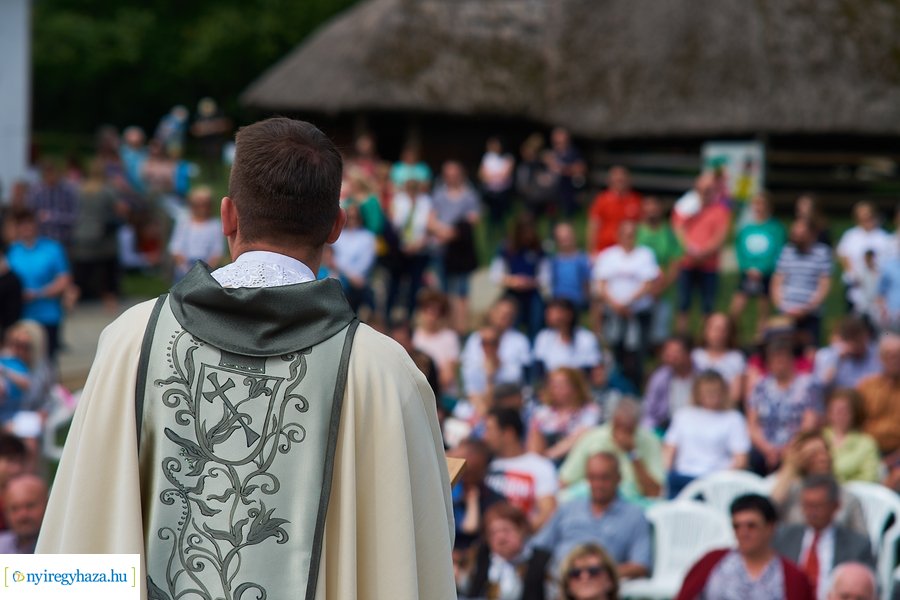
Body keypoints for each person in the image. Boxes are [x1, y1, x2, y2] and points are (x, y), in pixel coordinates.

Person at [36, 118, 456, 600]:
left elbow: (79, 528)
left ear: (227, 216)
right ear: (337, 225)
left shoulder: (131, 339)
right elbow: (423, 542)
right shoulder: (384, 372)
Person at [531, 452, 652, 579]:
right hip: (558, 583)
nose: (598, 484)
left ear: (618, 478)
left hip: (601, 587)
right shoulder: (568, 508)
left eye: (605, 478)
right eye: (592, 478)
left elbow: (640, 566)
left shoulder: (634, 515)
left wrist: (593, 574)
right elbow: (540, 547)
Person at [676, 494, 814, 600]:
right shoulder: (711, 562)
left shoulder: (792, 577)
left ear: (770, 527)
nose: (743, 533)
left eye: (751, 526)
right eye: (737, 526)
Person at [773, 475, 874, 598]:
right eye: (807, 505)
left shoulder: (857, 546)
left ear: (836, 506)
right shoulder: (784, 537)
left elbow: (867, 588)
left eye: (817, 506)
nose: (811, 513)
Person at [663, 370, 751, 498]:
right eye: (707, 391)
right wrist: (665, 477)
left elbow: (741, 459)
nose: (711, 395)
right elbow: (669, 450)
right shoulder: (683, 415)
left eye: (715, 391)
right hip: (682, 479)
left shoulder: (734, 418)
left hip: (716, 482)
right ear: (698, 393)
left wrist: (720, 481)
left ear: (723, 392)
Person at [592, 220, 660, 386]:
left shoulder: (645, 254)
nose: (628, 237)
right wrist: (616, 304)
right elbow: (601, 284)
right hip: (613, 312)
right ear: (618, 235)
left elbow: (648, 284)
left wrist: (627, 303)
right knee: (614, 350)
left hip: (637, 312)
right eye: (625, 234)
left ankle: (635, 386)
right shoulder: (608, 255)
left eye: (631, 234)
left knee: (637, 352)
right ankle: (616, 385)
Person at [559, 399, 664, 504]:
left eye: (628, 429)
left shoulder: (650, 441)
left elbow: (654, 492)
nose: (622, 435)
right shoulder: (593, 438)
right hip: (593, 504)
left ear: (637, 425)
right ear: (612, 421)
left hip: (633, 504)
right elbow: (565, 480)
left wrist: (633, 453)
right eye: (619, 426)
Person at [769, 430, 867, 536]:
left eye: (825, 452)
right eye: (813, 454)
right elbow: (767, 514)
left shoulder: (847, 498)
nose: (822, 458)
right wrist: (791, 467)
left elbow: (863, 543)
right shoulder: (790, 493)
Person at [747, 337, 821, 474]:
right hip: (765, 449)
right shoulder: (760, 386)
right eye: (775, 359)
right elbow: (752, 425)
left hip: (796, 445)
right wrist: (768, 449)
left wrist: (787, 449)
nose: (779, 363)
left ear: (792, 360)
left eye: (783, 358)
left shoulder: (808, 384)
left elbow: (809, 423)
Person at [7, 209, 72, 360]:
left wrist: (40, 293)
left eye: (29, 224)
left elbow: (64, 278)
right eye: (22, 225)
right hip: (22, 314)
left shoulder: (52, 248)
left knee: (48, 359)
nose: (26, 228)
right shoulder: (13, 250)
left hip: (48, 313)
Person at [672, 173, 731, 334]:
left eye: (709, 189)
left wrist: (703, 253)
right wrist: (689, 249)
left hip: (709, 265)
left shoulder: (720, 210)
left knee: (708, 305)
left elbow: (720, 236)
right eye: (702, 188)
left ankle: (705, 338)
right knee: (683, 304)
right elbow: (678, 229)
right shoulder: (686, 207)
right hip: (687, 263)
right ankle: (681, 338)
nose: (705, 192)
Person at [458, 502, 553, 600]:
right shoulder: (479, 559)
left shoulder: (542, 561)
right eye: (493, 533)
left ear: (521, 529)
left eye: (506, 530)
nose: (500, 538)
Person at [483, 408, 558, 531]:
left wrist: (517, 535)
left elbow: (548, 512)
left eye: (489, 430)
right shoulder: (484, 466)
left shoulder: (540, 466)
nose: (485, 437)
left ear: (508, 433)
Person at [429, 160, 481, 333]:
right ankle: (445, 326)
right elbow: (431, 219)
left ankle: (461, 328)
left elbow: (473, 220)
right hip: (442, 249)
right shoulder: (439, 194)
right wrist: (442, 231)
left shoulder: (469, 195)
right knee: (442, 291)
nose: (451, 178)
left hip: (461, 252)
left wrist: (450, 233)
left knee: (462, 293)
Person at [730, 192, 786, 337]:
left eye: (761, 204)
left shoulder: (776, 228)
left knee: (764, 309)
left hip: (766, 274)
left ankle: (760, 337)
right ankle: (732, 335)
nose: (758, 208)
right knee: (736, 308)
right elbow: (739, 250)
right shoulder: (747, 228)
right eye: (756, 204)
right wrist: (746, 267)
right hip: (747, 273)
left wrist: (763, 269)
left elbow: (778, 250)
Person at [771, 218, 833, 348]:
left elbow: (824, 284)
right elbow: (777, 281)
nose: (797, 237)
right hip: (786, 311)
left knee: (809, 352)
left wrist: (808, 308)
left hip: (810, 314)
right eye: (795, 234)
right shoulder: (787, 251)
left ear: (811, 234)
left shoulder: (822, 252)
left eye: (801, 234)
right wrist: (782, 306)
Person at [70, 158, 121, 308]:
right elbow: (119, 209)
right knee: (108, 269)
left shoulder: (80, 188)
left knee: (81, 271)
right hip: (103, 235)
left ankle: (71, 301)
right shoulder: (108, 189)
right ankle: (110, 303)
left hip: (81, 233)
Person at [491, 213, 549, 340]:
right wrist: (513, 281)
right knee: (509, 325)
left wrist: (530, 282)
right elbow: (495, 274)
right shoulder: (506, 248)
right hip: (512, 294)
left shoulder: (539, 249)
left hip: (532, 294)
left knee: (536, 324)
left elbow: (545, 277)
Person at [526, 368, 600, 464]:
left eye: (562, 384)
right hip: (544, 461)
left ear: (575, 386)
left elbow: (582, 435)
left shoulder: (589, 410)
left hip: (578, 460)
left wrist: (550, 455)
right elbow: (533, 443)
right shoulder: (542, 412)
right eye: (553, 385)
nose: (557, 389)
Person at [636, 195, 682, 345]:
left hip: (662, 292)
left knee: (659, 335)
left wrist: (662, 287)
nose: (651, 210)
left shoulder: (669, 233)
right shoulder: (636, 232)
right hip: (638, 291)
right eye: (648, 206)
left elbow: (676, 262)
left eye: (655, 206)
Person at [837, 202, 893, 310]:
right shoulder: (851, 235)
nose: (865, 219)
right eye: (861, 216)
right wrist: (852, 273)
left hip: (877, 288)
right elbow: (844, 255)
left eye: (868, 215)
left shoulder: (884, 238)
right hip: (855, 287)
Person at [533, 298, 602, 379]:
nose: (548, 315)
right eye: (548, 312)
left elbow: (592, 369)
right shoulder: (543, 337)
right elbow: (539, 370)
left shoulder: (586, 338)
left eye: (554, 312)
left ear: (568, 314)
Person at [167, 185, 225, 282]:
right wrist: (185, 267)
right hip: (185, 266)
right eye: (198, 204)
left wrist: (205, 270)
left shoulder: (215, 225)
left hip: (206, 265)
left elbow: (217, 251)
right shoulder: (184, 222)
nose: (202, 208)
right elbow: (176, 248)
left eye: (205, 204)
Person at [857, 332, 900, 459]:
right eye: (889, 355)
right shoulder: (866, 386)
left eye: (898, 355)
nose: (894, 360)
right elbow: (856, 422)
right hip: (866, 451)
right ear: (880, 358)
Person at [822, 389, 880, 484]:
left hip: (854, 494)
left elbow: (870, 478)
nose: (839, 414)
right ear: (828, 413)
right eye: (835, 409)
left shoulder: (866, 443)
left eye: (844, 410)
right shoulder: (819, 438)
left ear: (854, 413)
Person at [642, 335, 696, 433]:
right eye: (667, 352)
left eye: (675, 352)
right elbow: (649, 411)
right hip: (665, 428)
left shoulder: (702, 377)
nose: (670, 356)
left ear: (688, 354)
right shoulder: (659, 377)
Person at [813, 317, 880, 395]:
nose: (861, 345)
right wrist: (837, 359)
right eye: (855, 341)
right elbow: (822, 386)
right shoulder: (826, 355)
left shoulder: (876, 353)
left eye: (863, 339)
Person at [691, 312, 746, 407]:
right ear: (705, 331)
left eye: (723, 330)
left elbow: (735, 395)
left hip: (724, 408)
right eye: (714, 329)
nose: (718, 333)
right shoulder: (695, 356)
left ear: (729, 333)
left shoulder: (736, 358)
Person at [331, 203, 376, 314]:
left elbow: (366, 262)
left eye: (355, 217)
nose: (352, 220)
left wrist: (353, 276)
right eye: (350, 217)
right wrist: (350, 275)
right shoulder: (339, 236)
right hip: (340, 280)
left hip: (359, 282)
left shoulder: (368, 237)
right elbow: (332, 259)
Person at [586, 166, 641, 255]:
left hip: (628, 251)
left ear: (628, 180)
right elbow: (593, 226)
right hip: (605, 249)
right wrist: (591, 251)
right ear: (610, 181)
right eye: (617, 180)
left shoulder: (635, 200)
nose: (619, 182)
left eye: (622, 180)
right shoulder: (601, 200)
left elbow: (640, 226)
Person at [549, 223, 593, 314]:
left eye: (567, 237)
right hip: (558, 302)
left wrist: (588, 301)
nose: (565, 241)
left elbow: (586, 282)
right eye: (562, 238)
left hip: (577, 302)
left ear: (573, 237)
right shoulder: (554, 260)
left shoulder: (582, 259)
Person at [0, 474, 48, 554]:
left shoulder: (64, 544)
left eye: (30, 506)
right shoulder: (2, 545)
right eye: (14, 508)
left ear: (47, 505)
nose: (22, 515)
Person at [479, 137, 515, 237]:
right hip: (490, 192)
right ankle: (490, 237)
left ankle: (504, 237)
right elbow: (482, 175)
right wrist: (496, 175)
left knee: (503, 217)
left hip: (503, 192)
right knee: (490, 218)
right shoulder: (487, 157)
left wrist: (491, 175)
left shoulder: (508, 157)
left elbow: (505, 175)